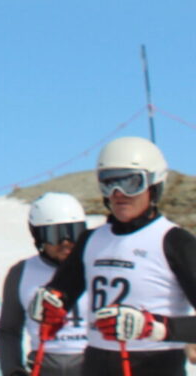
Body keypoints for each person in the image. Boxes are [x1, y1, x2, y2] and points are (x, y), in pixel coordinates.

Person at [33, 138, 196, 376]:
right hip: (97, 363)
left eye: (131, 183)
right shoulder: (90, 240)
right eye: (108, 182)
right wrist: (50, 305)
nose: (118, 194)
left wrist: (156, 327)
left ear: (153, 185)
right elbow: (60, 293)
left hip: (155, 365)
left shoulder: (174, 241)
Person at [0, 193, 91, 376]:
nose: (66, 242)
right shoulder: (21, 272)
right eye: (55, 235)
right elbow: (8, 330)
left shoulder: (94, 266)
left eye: (73, 232)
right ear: (39, 236)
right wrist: (13, 371)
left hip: (90, 364)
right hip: (44, 365)